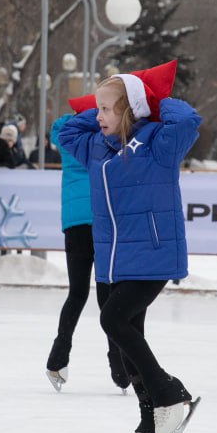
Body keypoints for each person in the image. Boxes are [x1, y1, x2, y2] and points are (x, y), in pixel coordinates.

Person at [58, 60, 202, 433]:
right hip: (112, 260)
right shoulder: (96, 148)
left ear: (131, 109)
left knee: (113, 321)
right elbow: (66, 130)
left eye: (106, 108)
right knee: (124, 341)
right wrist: (106, 104)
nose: (97, 115)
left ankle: (171, 394)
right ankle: (151, 420)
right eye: (97, 108)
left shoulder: (158, 143)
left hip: (153, 255)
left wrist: (149, 105)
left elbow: (188, 118)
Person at [45, 109, 128, 392]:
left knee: (77, 293)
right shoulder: (101, 142)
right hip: (102, 221)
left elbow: (57, 126)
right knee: (107, 294)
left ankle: (57, 358)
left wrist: (80, 114)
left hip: (75, 225)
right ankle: (119, 364)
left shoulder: (67, 140)